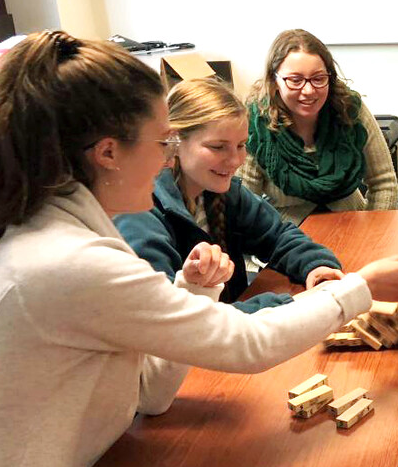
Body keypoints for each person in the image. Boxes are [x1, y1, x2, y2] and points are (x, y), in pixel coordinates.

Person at [0, 31, 398, 467]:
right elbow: (246, 346)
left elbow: (150, 394)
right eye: (161, 142)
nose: (165, 157)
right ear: (107, 152)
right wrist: (359, 289)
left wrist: (193, 293)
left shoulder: (58, 226)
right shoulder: (66, 259)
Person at [116, 78, 344, 313]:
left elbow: (278, 235)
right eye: (217, 147)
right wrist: (294, 303)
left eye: (241, 145)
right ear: (174, 139)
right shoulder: (140, 212)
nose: (235, 161)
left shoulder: (221, 191)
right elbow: (171, 318)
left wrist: (316, 266)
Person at [240, 29, 398, 224]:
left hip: (352, 224)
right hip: (287, 238)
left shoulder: (349, 110)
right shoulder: (256, 125)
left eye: (318, 78)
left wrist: (373, 232)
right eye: (295, 80)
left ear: (329, 77)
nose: (308, 91)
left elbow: (384, 182)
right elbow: (244, 204)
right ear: (274, 81)